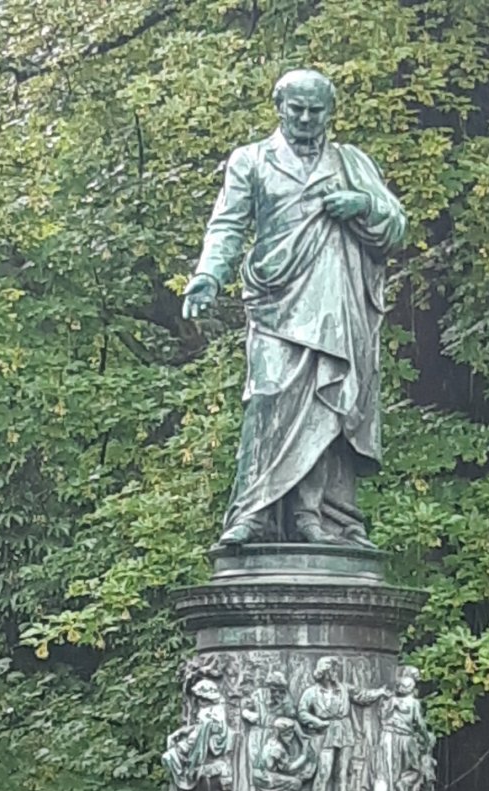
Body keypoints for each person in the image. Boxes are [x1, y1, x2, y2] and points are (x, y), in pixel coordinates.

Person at [183, 68, 406, 546]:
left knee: (328, 402)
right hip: (275, 300)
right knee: (266, 399)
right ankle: (253, 513)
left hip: (334, 303)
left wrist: (362, 204)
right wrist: (208, 275)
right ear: (279, 107)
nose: (305, 118)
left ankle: (316, 516)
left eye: (315, 110)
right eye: (297, 109)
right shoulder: (251, 160)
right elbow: (227, 224)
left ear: (330, 112)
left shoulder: (350, 162)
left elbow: (396, 225)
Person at [298, 656, 387, 791]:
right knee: (324, 771)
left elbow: (362, 695)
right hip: (325, 731)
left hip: (344, 730)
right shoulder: (311, 692)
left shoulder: (344, 689)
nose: (335, 672)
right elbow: (302, 712)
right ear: (324, 672)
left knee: (342, 773)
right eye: (332, 669)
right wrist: (317, 722)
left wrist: (379, 692)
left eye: (335, 669)